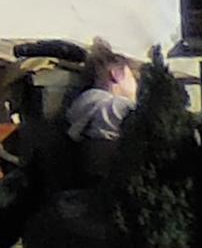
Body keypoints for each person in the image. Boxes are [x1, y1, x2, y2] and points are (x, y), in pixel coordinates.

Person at [59, 44, 141, 184]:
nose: (136, 84)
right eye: (133, 77)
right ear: (116, 74)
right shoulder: (114, 107)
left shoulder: (83, 105)